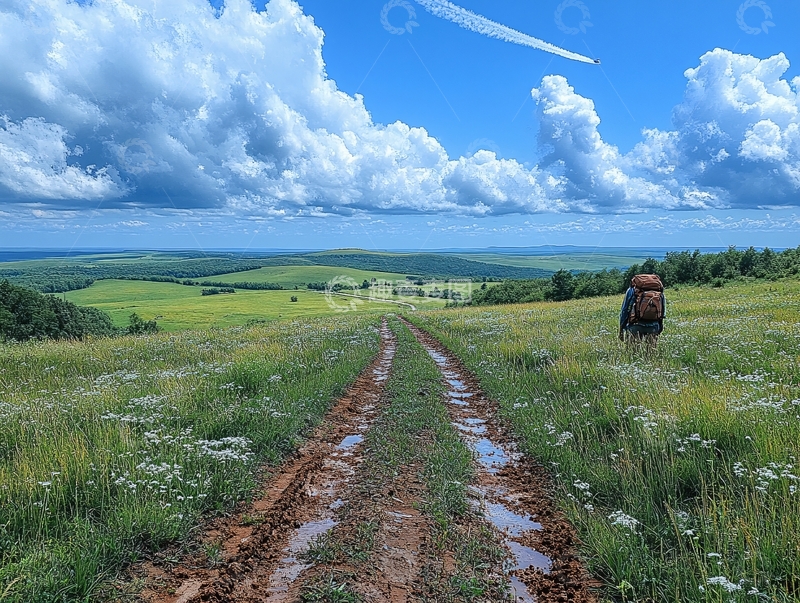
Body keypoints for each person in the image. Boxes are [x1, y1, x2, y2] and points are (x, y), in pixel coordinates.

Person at [619, 274, 665, 346]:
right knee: (650, 355)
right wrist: (660, 326)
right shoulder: (658, 291)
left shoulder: (632, 290)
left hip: (635, 324)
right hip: (653, 325)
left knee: (632, 354)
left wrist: (621, 329)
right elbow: (662, 310)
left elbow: (624, 310)